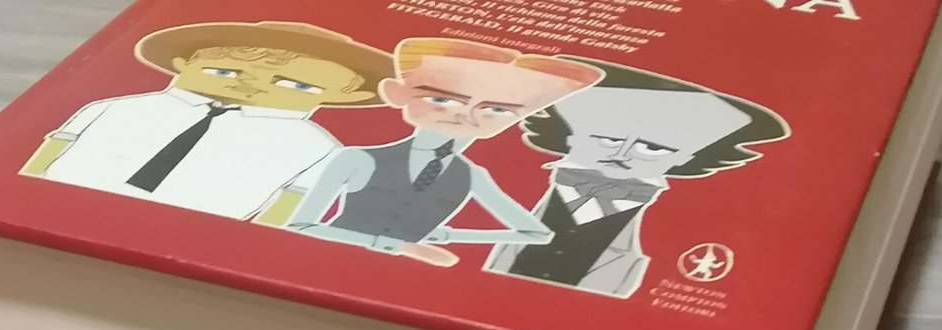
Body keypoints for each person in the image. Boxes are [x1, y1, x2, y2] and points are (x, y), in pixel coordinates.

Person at [20, 21, 395, 221]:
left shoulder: (317, 147)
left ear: (347, 96)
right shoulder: (115, 108)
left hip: (195, 232)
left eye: (297, 85)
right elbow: (44, 157)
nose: (251, 85)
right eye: (223, 71)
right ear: (183, 64)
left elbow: (288, 205)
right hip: (55, 208)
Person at [280, 39, 601, 267]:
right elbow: (300, 226)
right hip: (327, 261)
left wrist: (443, 234)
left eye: (498, 110)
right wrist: (397, 246)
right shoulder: (358, 158)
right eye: (442, 100)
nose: (466, 116)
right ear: (397, 94)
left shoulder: (471, 175)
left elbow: (536, 233)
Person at [485, 58, 789, 298]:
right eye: (607, 139)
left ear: (684, 158)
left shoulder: (692, 220)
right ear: (571, 137)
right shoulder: (505, 182)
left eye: (652, 148)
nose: (622, 154)